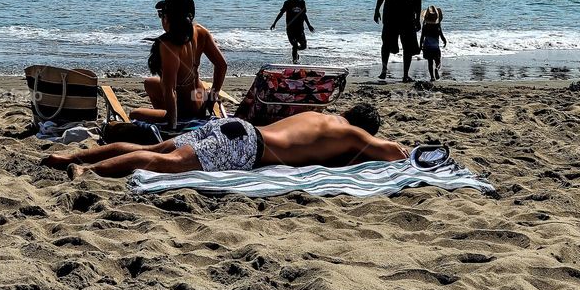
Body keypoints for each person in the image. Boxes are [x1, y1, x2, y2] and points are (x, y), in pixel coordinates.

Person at [42, 105, 407, 178]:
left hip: (234, 125)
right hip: (247, 146)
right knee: (168, 164)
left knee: (155, 149)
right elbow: (392, 152)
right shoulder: (349, 132)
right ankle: (85, 171)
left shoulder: (316, 114)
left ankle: (73, 155)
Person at [129, 0, 227, 130]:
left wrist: (172, 125)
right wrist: (211, 99)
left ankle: (172, 117)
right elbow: (222, 65)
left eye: (161, 14)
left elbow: (170, 90)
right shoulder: (200, 31)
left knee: (134, 114)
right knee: (150, 83)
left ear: (168, 18)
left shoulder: (168, 45)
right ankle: (172, 114)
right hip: (199, 97)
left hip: (187, 108)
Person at [374, 0, 422, 82]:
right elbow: (418, 1)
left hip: (390, 16)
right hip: (407, 18)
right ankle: (405, 74)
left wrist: (377, 9)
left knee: (386, 43)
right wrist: (418, 19)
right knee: (408, 47)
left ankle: (384, 70)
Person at [269, 0, 315, 64]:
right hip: (290, 29)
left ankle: (295, 53)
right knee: (294, 44)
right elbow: (281, 13)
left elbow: (304, 15)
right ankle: (295, 61)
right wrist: (274, 23)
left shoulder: (302, 2)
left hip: (300, 29)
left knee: (304, 46)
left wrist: (309, 25)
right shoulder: (287, 3)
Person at [419, 6, 447, 81]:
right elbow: (441, 35)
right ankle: (436, 69)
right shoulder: (437, 26)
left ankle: (432, 77)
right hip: (435, 47)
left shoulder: (425, 26)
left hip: (427, 46)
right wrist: (444, 41)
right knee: (438, 61)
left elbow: (422, 37)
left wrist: (420, 46)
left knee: (430, 62)